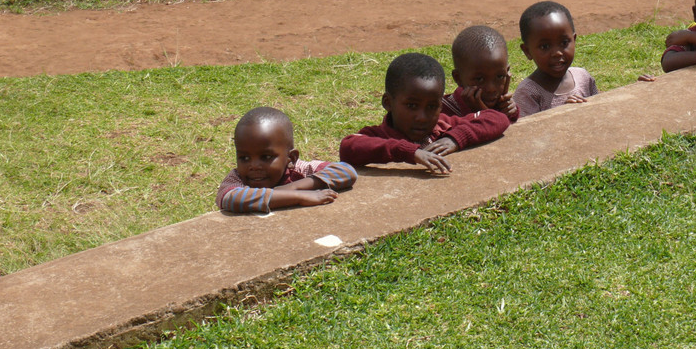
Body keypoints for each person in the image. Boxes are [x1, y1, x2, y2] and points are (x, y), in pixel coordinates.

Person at [339, 52, 510, 174]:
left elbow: (498, 118)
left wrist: (454, 139)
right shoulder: (379, 135)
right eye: (412, 105)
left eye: (432, 107)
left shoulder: (443, 127)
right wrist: (409, 152)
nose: (422, 117)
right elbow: (348, 146)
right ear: (388, 103)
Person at [217, 107, 357, 214]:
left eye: (266, 157)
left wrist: (294, 186)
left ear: (291, 158)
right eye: (244, 158)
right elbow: (233, 199)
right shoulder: (236, 180)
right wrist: (298, 196)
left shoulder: (299, 170)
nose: (254, 166)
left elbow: (346, 171)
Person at [512, 1, 598, 115]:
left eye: (564, 42)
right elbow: (527, 131)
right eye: (545, 46)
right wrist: (563, 114)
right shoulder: (528, 93)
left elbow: (599, 111)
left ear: (574, 40)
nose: (557, 53)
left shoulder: (583, 78)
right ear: (527, 51)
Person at [444, 25, 519, 123]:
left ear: (507, 72)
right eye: (479, 79)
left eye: (500, 76)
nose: (491, 88)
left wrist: (512, 110)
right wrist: (481, 113)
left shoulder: (501, 104)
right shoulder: (445, 112)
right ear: (458, 78)